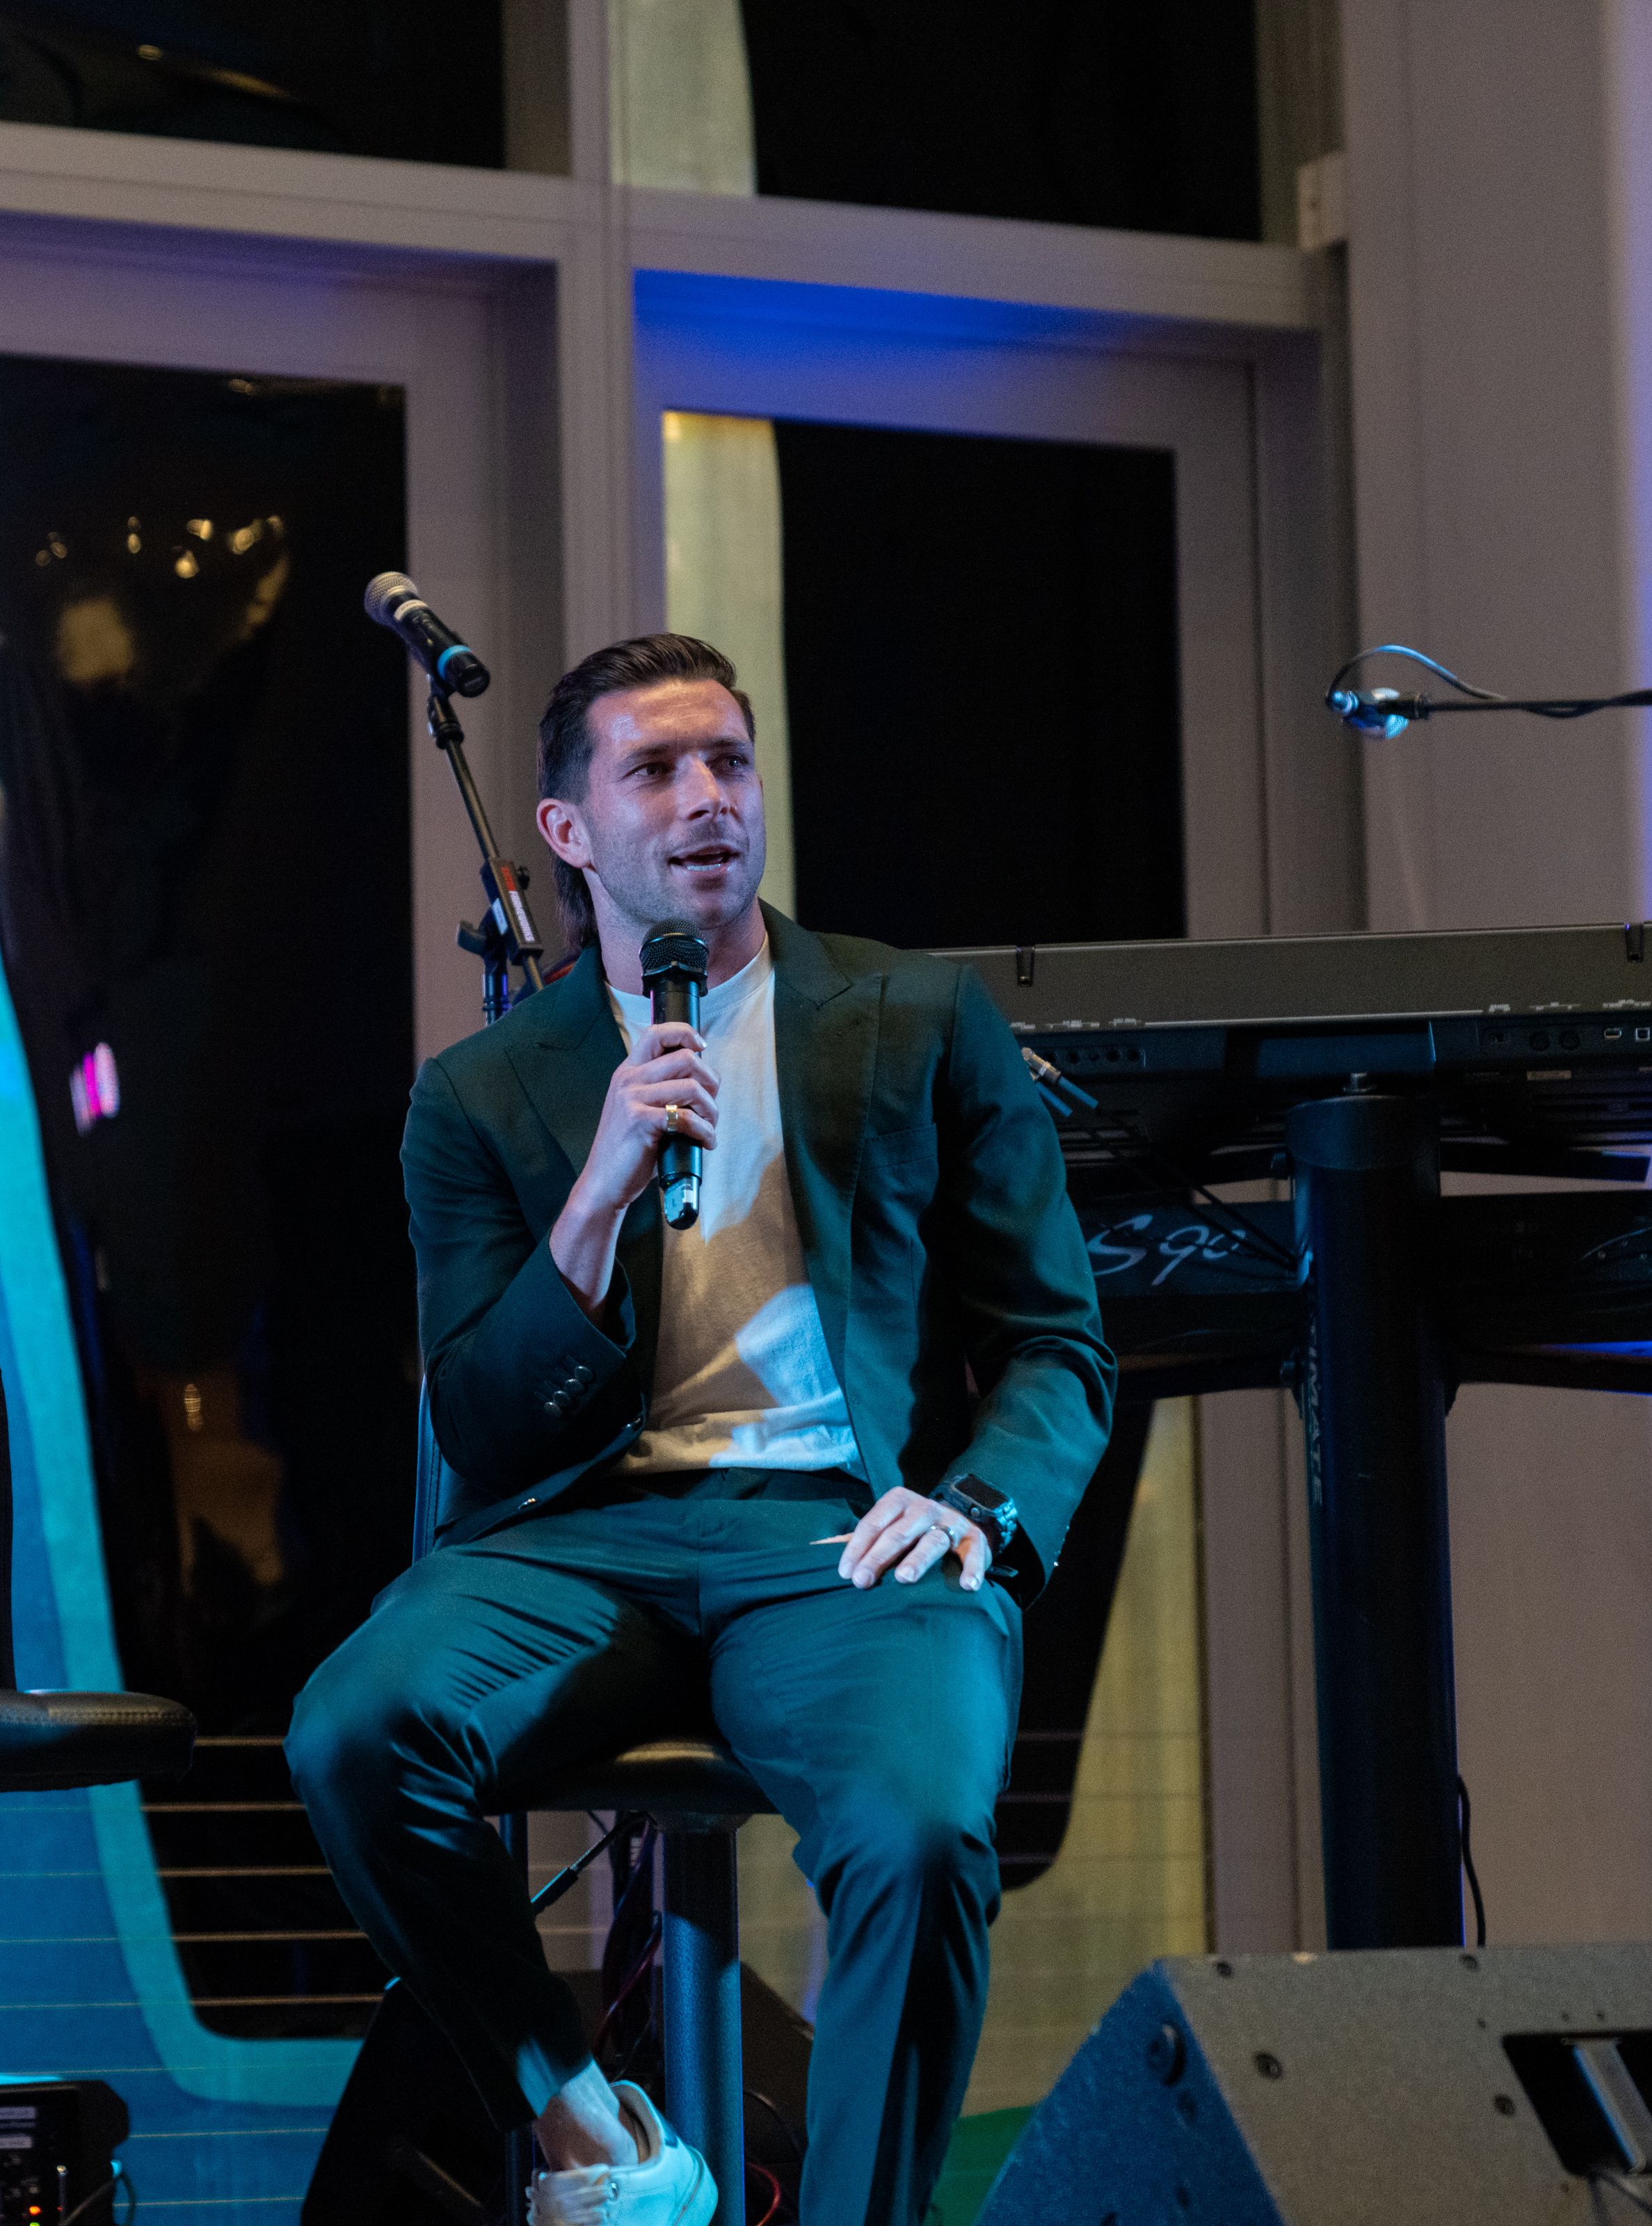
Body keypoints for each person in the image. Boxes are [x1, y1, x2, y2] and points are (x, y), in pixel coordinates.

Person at [287, 632, 1112, 2226]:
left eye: (729, 762)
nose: (706, 800)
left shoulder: (916, 1017)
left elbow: (1055, 1343)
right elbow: (476, 1414)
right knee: (352, 1727)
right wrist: (594, 1192)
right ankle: (591, 2136)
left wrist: (982, 1506)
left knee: (926, 1837)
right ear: (572, 831)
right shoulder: (478, 1095)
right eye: (655, 771)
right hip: (575, 1539)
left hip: (833, 1530)